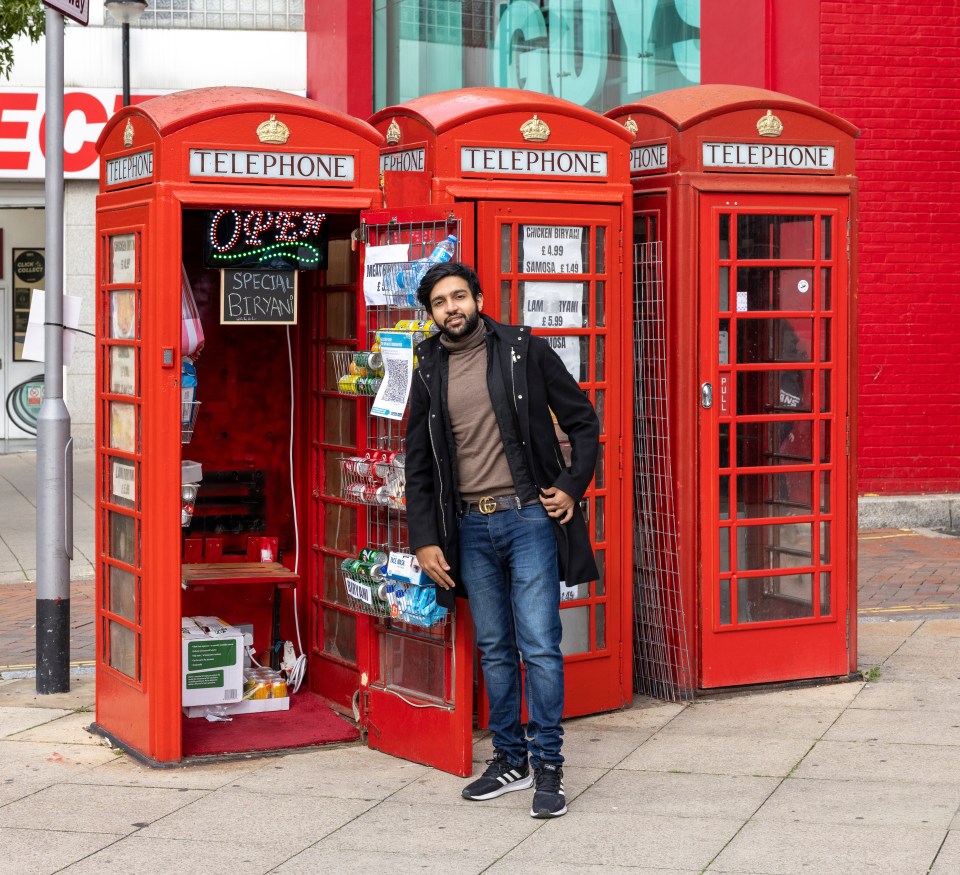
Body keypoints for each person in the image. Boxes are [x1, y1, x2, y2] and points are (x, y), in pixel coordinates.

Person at [404, 261, 600, 819]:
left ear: (479, 298)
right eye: (440, 302)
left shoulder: (523, 350)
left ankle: (549, 767)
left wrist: (569, 487)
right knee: (493, 647)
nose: (451, 308)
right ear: (431, 313)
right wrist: (424, 539)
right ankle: (509, 759)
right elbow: (418, 462)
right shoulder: (427, 367)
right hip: (467, 525)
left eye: (459, 297)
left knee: (538, 644)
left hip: (528, 519)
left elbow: (583, 420)